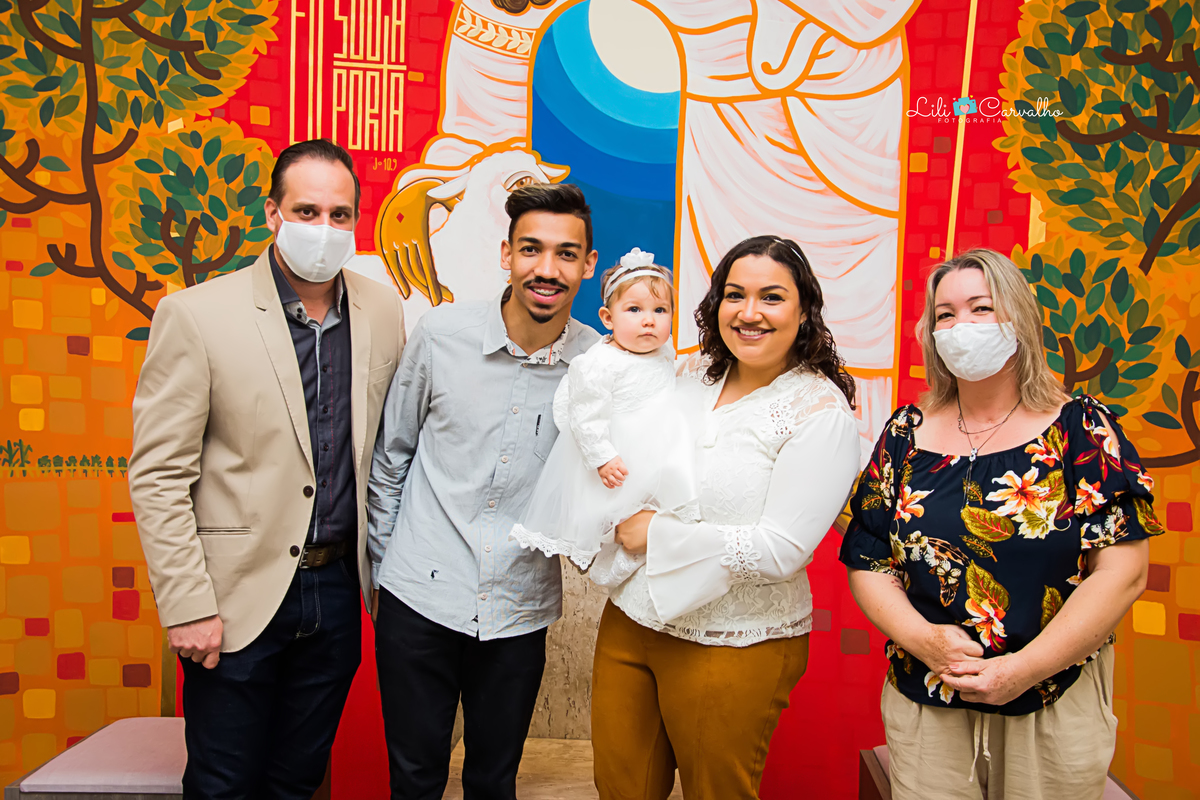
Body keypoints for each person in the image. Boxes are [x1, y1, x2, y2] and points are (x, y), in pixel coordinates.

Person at [128, 139, 406, 799]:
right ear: (273, 215)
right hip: (235, 596)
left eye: (341, 215)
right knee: (225, 783)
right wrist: (188, 605)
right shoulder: (197, 315)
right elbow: (158, 474)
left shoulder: (383, 310)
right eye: (307, 210)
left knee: (298, 780)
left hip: (337, 589)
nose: (325, 228)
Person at [839, 248, 1160, 799]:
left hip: (1053, 698)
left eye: (981, 308)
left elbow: (1122, 572)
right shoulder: (903, 434)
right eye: (945, 314)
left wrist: (1023, 669)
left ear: (1019, 319)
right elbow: (867, 561)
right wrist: (926, 641)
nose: (960, 326)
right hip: (929, 695)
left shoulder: (1081, 429)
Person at [591, 235, 862, 799]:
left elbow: (781, 549)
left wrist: (655, 533)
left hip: (733, 637)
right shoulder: (688, 378)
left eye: (772, 297)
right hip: (632, 618)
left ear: (804, 310)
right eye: (734, 294)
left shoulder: (818, 411)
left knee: (717, 792)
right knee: (620, 788)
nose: (750, 312)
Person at [367, 182, 602, 799]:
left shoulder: (599, 366)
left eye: (565, 253)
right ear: (506, 254)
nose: (546, 269)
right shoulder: (441, 333)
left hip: (519, 609)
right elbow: (391, 457)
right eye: (531, 249)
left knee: (493, 783)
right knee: (414, 780)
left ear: (588, 264)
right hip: (419, 594)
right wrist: (385, 574)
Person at [510, 246, 694, 587]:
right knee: (618, 520)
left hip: (658, 448)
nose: (649, 320)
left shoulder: (663, 352)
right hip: (620, 456)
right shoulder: (599, 363)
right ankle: (616, 569)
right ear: (608, 318)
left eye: (660, 310)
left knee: (669, 509)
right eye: (635, 309)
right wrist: (602, 457)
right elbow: (585, 416)